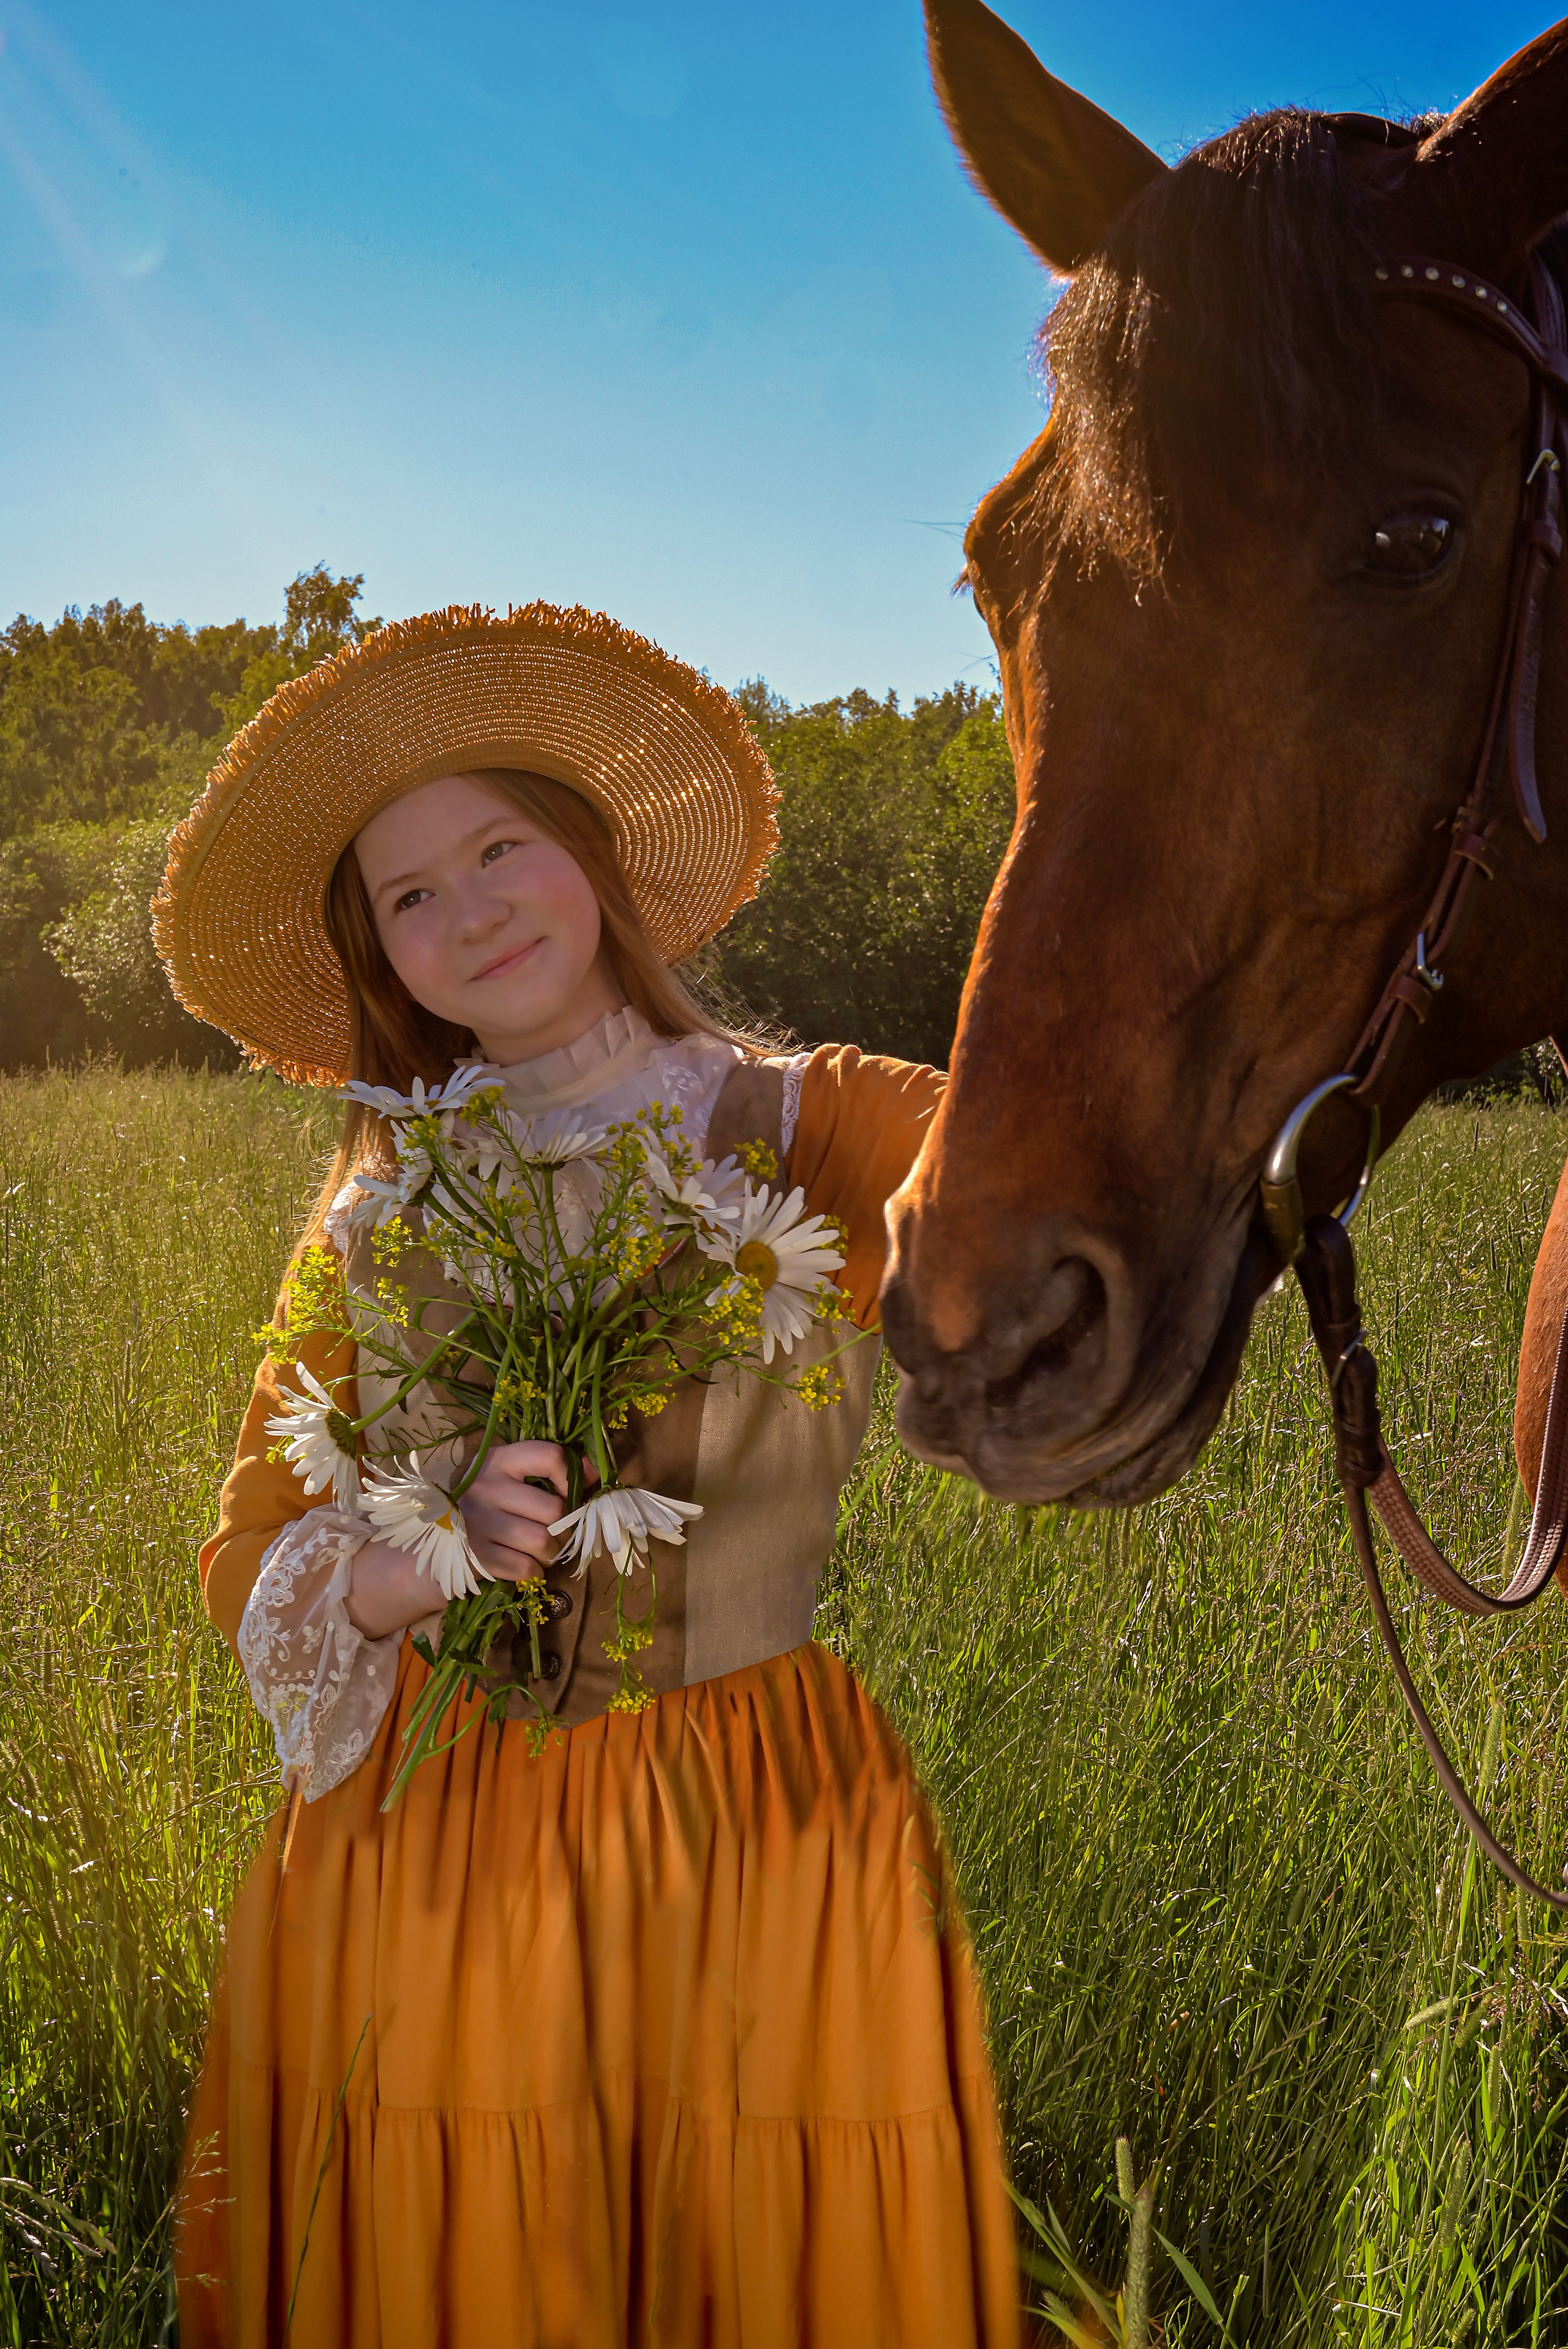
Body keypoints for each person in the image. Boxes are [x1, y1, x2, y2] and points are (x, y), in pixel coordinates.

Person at [162, 601, 1020, 2347]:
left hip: (754, 1817)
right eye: (408, 892)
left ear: (594, 857)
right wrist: (423, 1548)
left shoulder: (810, 1127)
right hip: (431, 1844)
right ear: (377, 955)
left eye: (500, 843)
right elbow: (256, 1539)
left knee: (753, 2259)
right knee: (478, 2264)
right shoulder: (376, 1208)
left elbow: (1053, 1178)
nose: (467, 905)